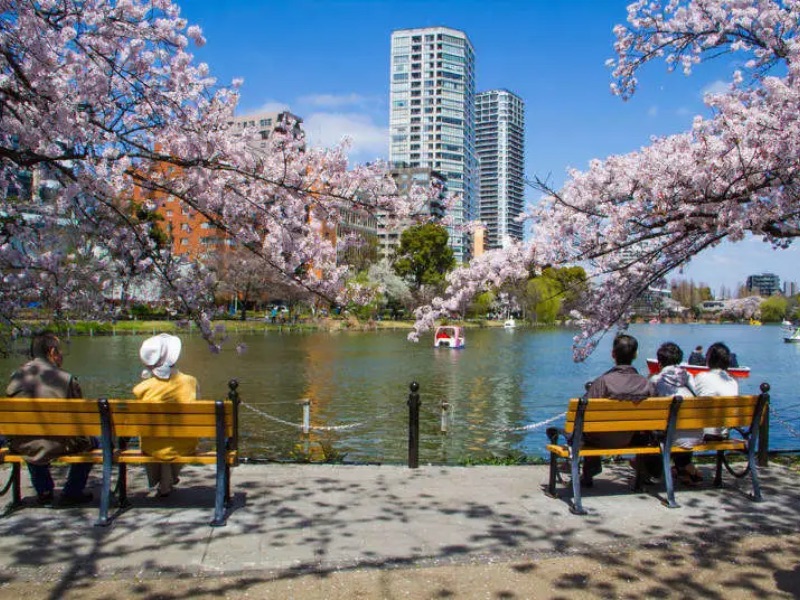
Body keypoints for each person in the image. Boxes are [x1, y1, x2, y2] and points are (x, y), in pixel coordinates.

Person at [5, 333, 96, 506]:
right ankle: (73, 490)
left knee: (31, 438)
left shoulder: (16, 376)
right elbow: (82, 420)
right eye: (60, 351)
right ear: (52, 352)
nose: (62, 355)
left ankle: (44, 490)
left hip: (21, 443)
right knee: (95, 442)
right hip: (57, 444)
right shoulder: (66, 379)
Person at [582, 334, 654, 487]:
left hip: (600, 440)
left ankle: (590, 470)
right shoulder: (646, 383)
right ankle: (645, 473)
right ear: (635, 355)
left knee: (585, 427)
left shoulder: (603, 382)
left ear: (613, 354)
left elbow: (584, 413)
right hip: (631, 437)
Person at [133, 333, 199, 497]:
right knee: (174, 439)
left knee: (158, 440)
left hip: (152, 446)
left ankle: (164, 483)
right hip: (184, 445)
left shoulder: (142, 388)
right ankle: (167, 482)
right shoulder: (190, 382)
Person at [649, 342, 703, 485]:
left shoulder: (657, 380)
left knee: (657, 430)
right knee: (677, 425)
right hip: (696, 434)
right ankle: (684, 468)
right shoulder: (690, 377)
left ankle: (651, 470)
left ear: (659, 362)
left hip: (671, 437)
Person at [694, 342, 739, 440]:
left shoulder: (701, 377)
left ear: (710, 359)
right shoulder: (733, 381)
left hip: (704, 432)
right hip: (723, 432)